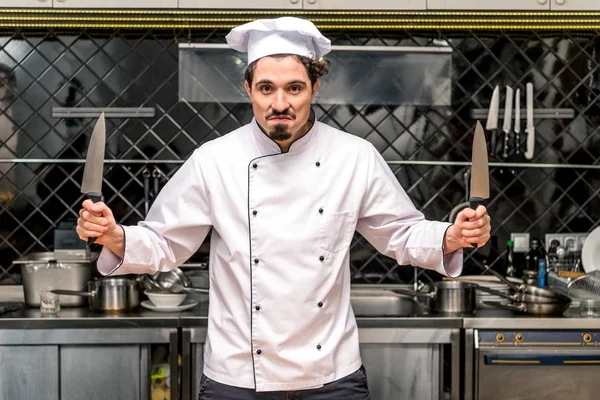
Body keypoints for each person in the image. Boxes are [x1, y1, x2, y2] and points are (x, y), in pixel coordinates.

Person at [76, 16, 491, 400]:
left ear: (315, 88)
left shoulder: (354, 157)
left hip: (332, 374)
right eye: (267, 88)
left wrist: (451, 235)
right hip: (238, 376)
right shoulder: (213, 160)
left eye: (294, 87)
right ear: (248, 89)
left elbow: (399, 232)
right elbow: (165, 242)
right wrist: (115, 235)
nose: (280, 103)